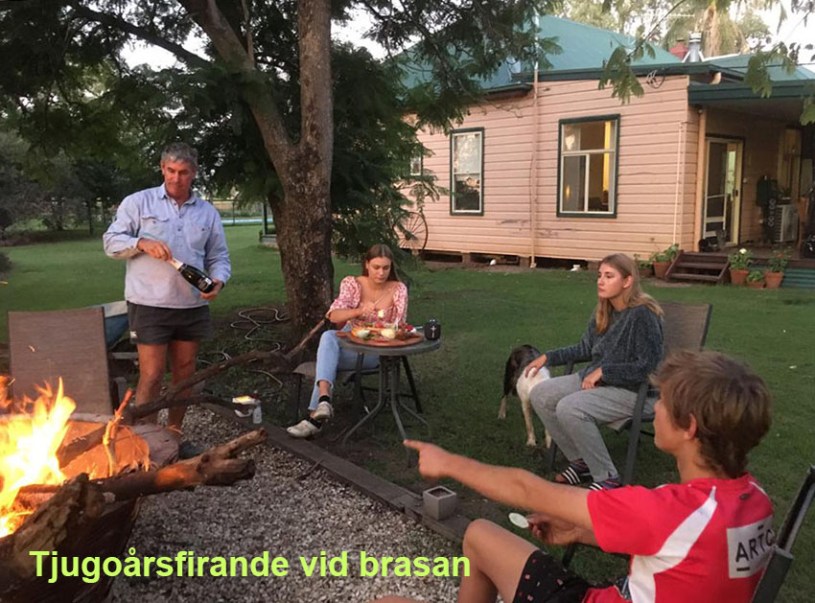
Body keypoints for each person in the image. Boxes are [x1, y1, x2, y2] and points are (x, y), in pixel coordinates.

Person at [377, 350, 773, 603]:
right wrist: (581, 533)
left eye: (663, 402)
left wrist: (448, 463)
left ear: (689, 427)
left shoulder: (666, 511)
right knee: (479, 533)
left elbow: (525, 489)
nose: (655, 409)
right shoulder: (755, 501)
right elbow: (685, 555)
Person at [103, 142, 231, 457]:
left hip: (192, 305)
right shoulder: (138, 202)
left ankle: (174, 437)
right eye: (171, 170)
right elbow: (111, 242)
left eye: (183, 172)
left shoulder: (207, 212)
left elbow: (219, 256)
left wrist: (218, 281)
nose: (176, 178)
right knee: (152, 374)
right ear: (162, 169)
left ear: (194, 173)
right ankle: (145, 441)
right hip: (148, 303)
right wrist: (141, 243)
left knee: (185, 374)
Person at [525, 253, 663, 490]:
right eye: (599, 275)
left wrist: (604, 372)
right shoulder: (604, 310)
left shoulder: (643, 314)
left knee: (570, 407)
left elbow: (647, 367)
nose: (600, 281)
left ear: (627, 281)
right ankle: (582, 462)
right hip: (600, 383)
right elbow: (585, 348)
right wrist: (548, 357)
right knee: (541, 394)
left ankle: (607, 477)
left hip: (636, 392)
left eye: (609, 276)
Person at [287, 243, 408, 438]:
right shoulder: (353, 284)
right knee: (328, 336)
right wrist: (359, 311)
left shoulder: (398, 289)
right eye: (376, 267)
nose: (381, 273)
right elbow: (333, 316)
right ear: (367, 264)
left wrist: (381, 329)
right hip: (350, 340)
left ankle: (315, 417)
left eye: (386, 268)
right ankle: (324, 401)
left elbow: (399, 327)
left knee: (327, 359)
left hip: (376, 349)